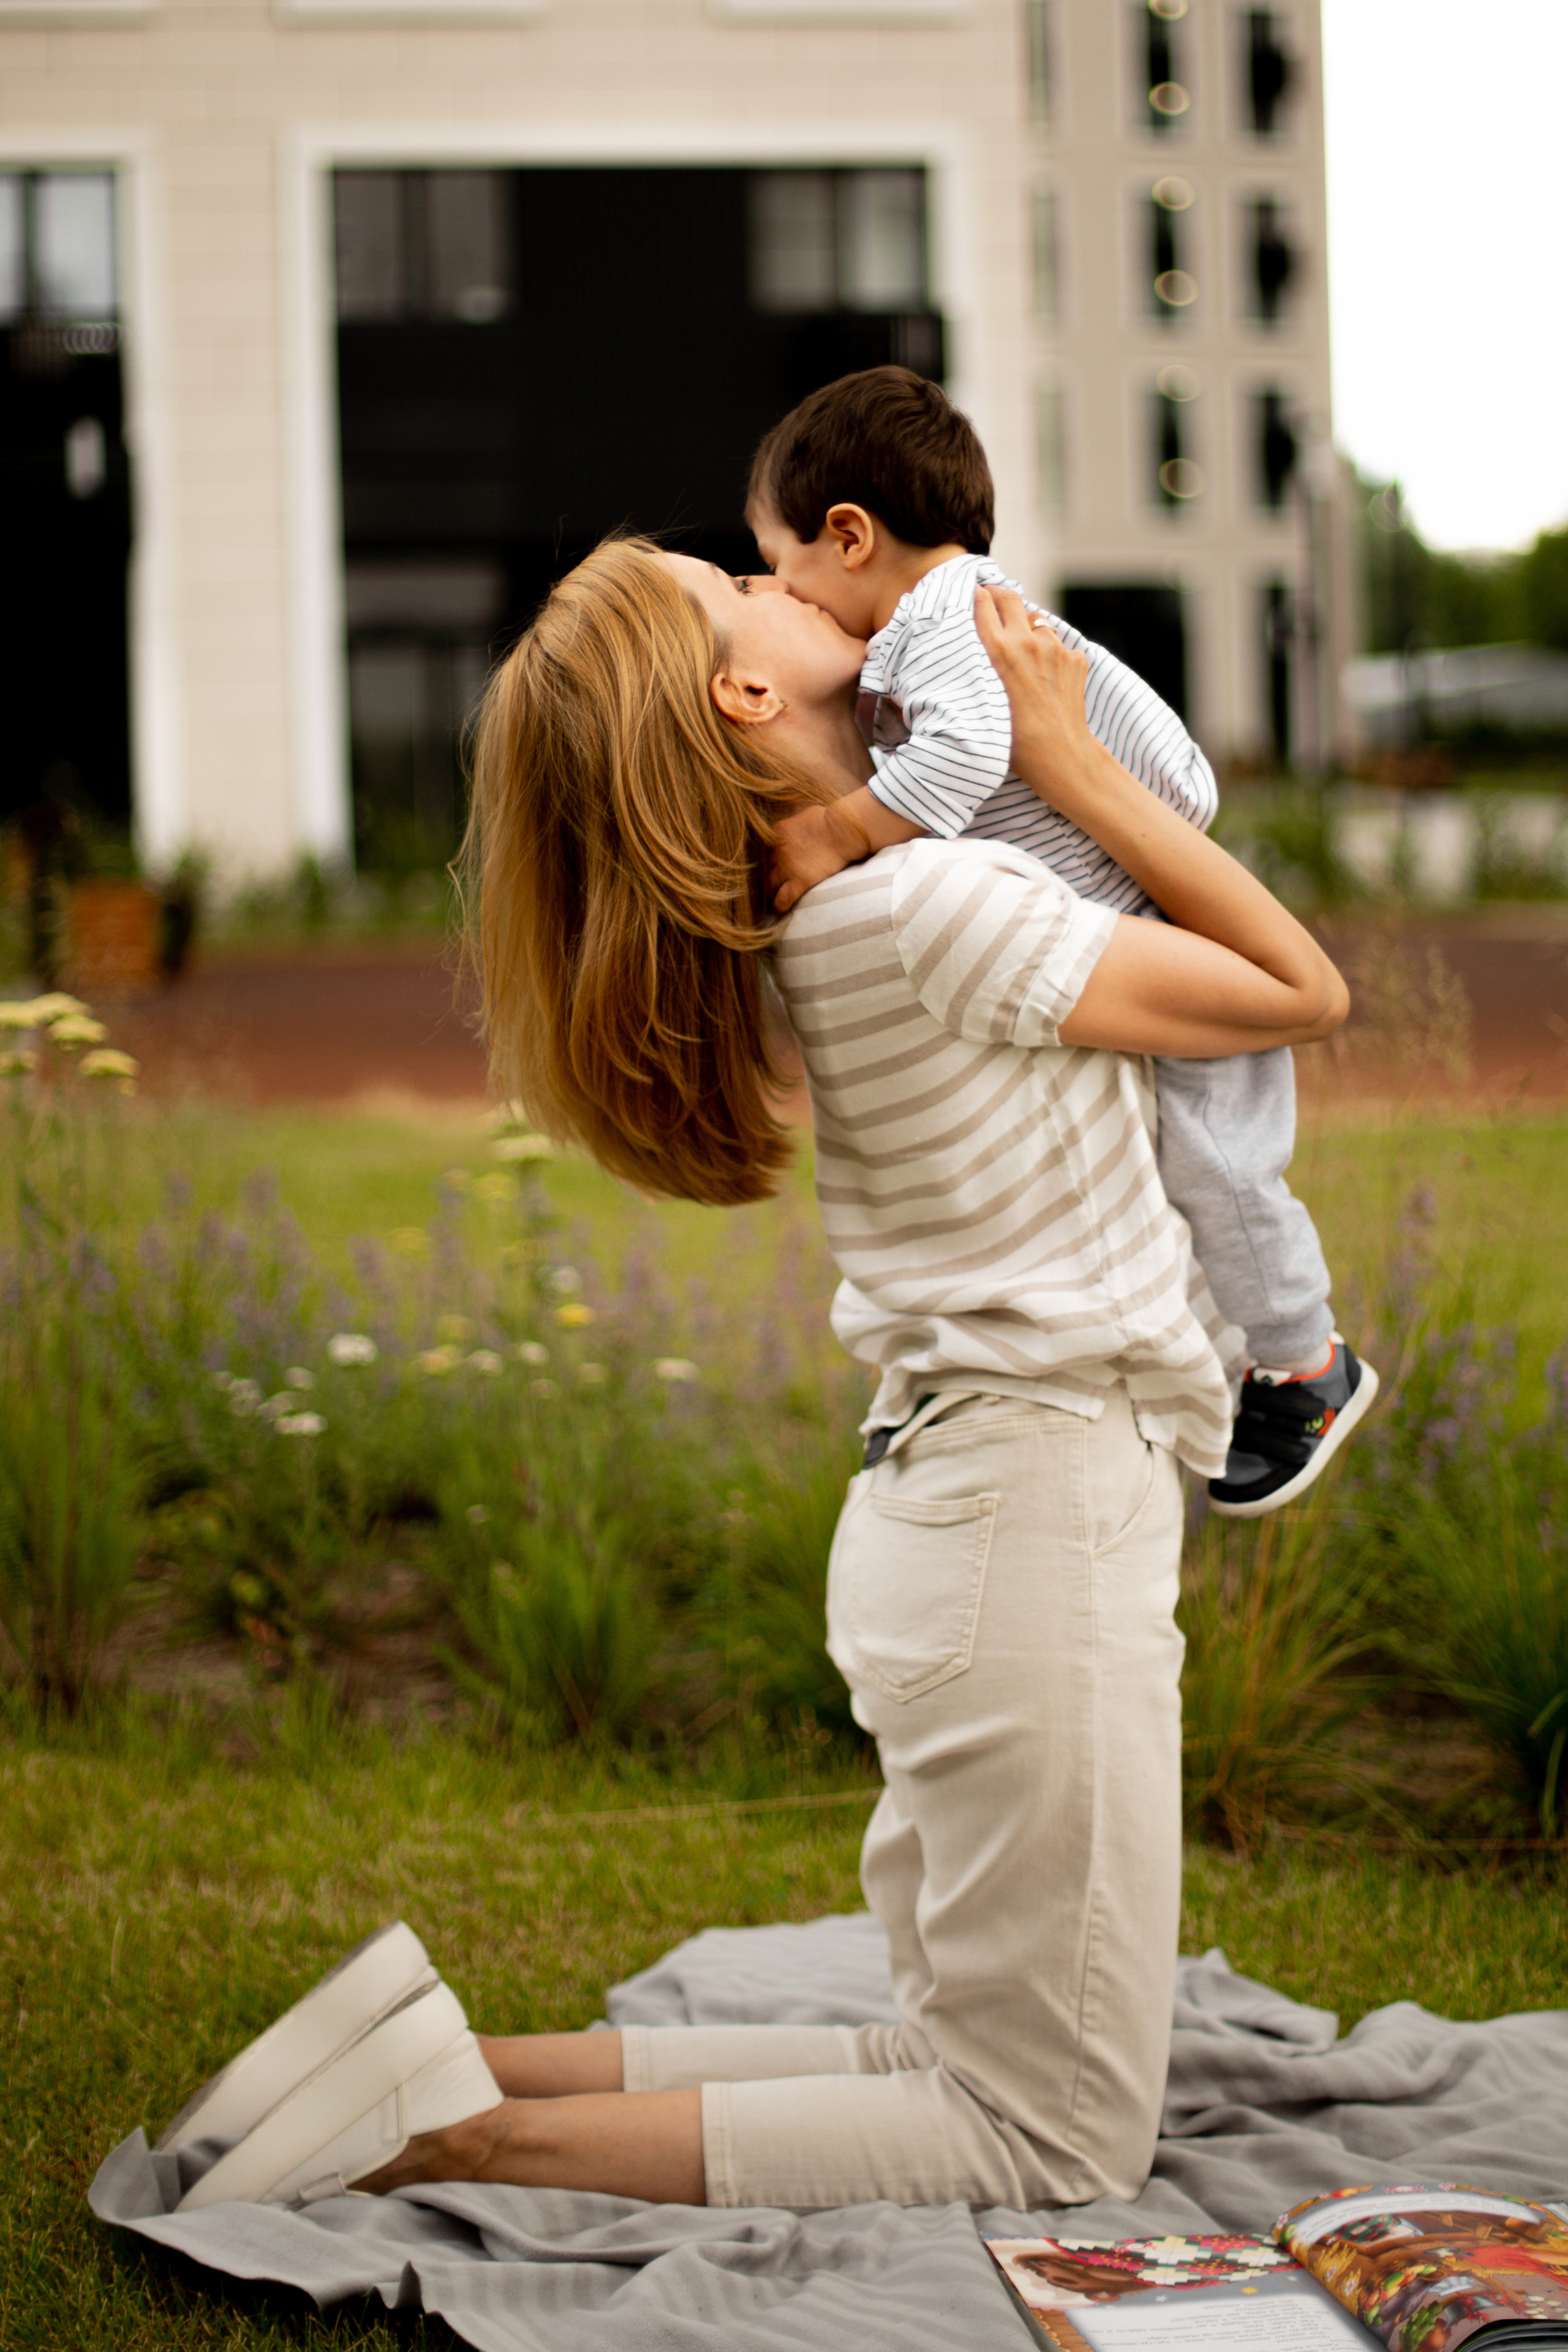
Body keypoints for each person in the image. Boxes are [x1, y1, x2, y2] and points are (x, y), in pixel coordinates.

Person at [160, 538, 1349, 2221]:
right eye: (760, 586)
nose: (822, 593)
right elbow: (1299, 990)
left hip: (966, 1519)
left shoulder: (848, 909)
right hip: (1036, 1517)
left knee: (937, 2058)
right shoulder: (936, 908)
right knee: (1051, 2137)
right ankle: (444, 2140)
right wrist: (1072, 758)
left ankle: (438, 2063)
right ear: (749, 688)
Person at [747, 365, 1377, 1517]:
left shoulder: (945, 623)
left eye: (779, 566)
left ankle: (1304, 1364)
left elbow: (978, 751)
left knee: (1222, 1164)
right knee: (1179, 1163)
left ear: (847, 536)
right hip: (1131, 896)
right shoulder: (938, 624)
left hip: (1156, 906)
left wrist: (842, 826)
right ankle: (1243, 1359)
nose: (776, 590)